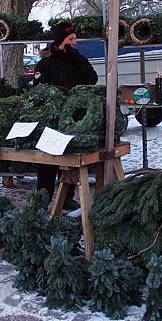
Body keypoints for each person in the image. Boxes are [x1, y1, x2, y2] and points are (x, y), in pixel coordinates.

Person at [33, 22, 98, 210]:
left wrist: (74, 55)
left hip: (74, 119)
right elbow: (38, 88)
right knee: (48, 160)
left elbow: (92, 79)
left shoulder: (76, 59)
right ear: (61, 40)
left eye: (75, 39)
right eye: (71, 39)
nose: (74, 42)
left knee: (70, 158)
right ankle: (42, 198)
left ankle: (67, 197)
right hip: (52, 119)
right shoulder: (46, 62)